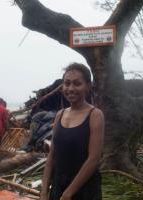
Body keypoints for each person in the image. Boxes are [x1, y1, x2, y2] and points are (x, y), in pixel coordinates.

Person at [40, 63, 105, 200]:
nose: (70, 88)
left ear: (88, 86)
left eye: (77, 84)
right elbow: (52, 156)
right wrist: (44, 191)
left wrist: (69, 193)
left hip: (84, 189)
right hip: (59, 186)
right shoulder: (60, 115)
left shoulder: (95, 115)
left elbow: (93, 159)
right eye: (67, 83)